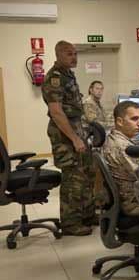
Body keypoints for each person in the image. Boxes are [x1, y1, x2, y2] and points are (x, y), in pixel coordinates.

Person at [41, 40, 95, 236]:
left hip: (77, 130)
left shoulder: (68, 75)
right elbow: (56, 112)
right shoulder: (54, 78)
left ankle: (88, 214)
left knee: (87, 173)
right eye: (69, 54)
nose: (74, 57)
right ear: (58, 55)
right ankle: (71, 223)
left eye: (75, 53)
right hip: (65, 135)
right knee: (73, 177)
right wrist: (74, 139)